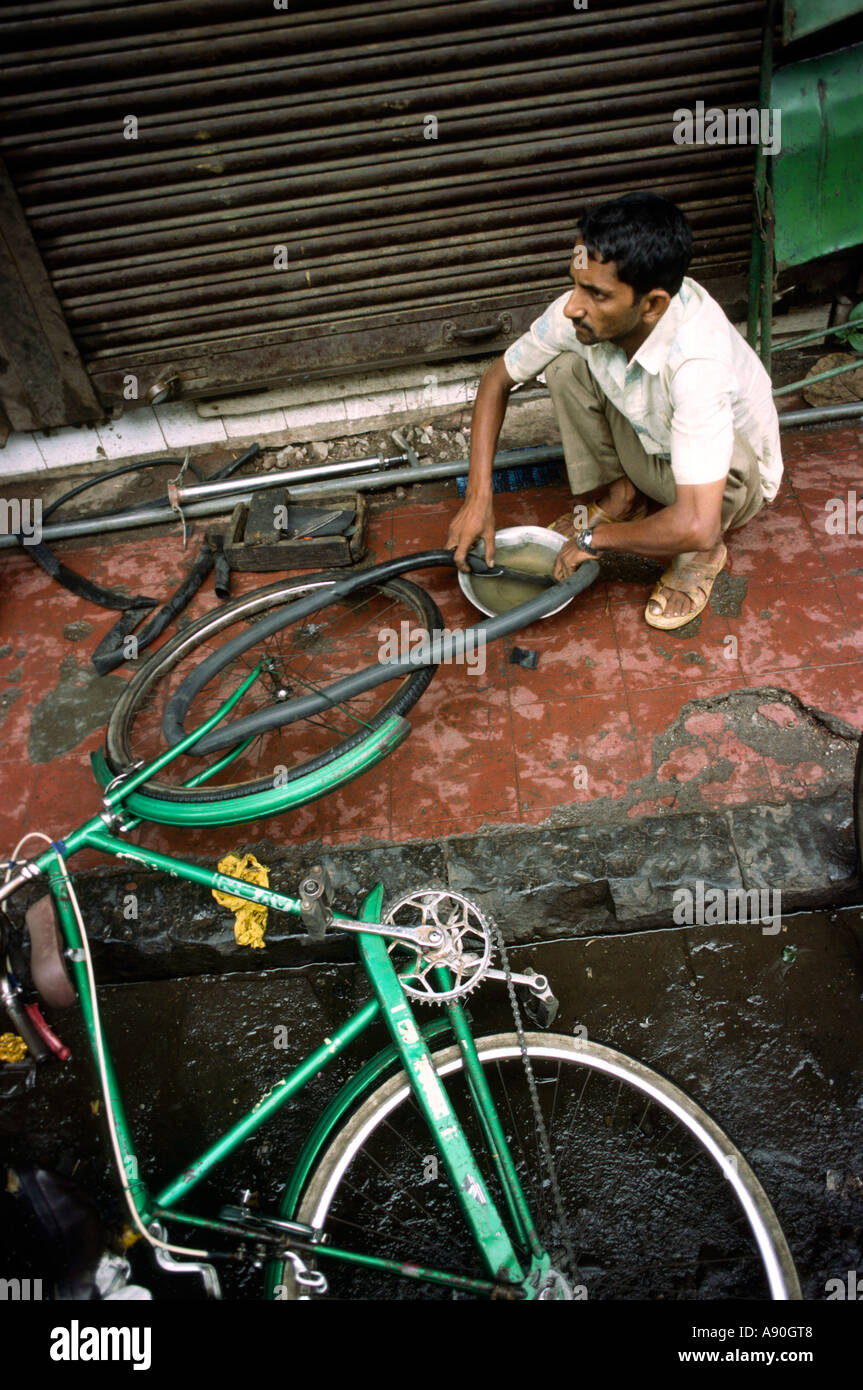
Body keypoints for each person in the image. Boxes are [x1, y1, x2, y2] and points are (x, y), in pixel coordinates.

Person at [446, 192, 782, 629]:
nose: (572, 305)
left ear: (654, 304)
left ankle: (703, 554)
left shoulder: (699, 361)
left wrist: (595, 538)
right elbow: (496, 380)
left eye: (596, 294)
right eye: (575, 282)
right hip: (653, 444)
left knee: (716, 490)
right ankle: (624, 498)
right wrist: (478, 499)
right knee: (566, 365)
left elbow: (697, 521)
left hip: (722, 489)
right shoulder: (581, 314)